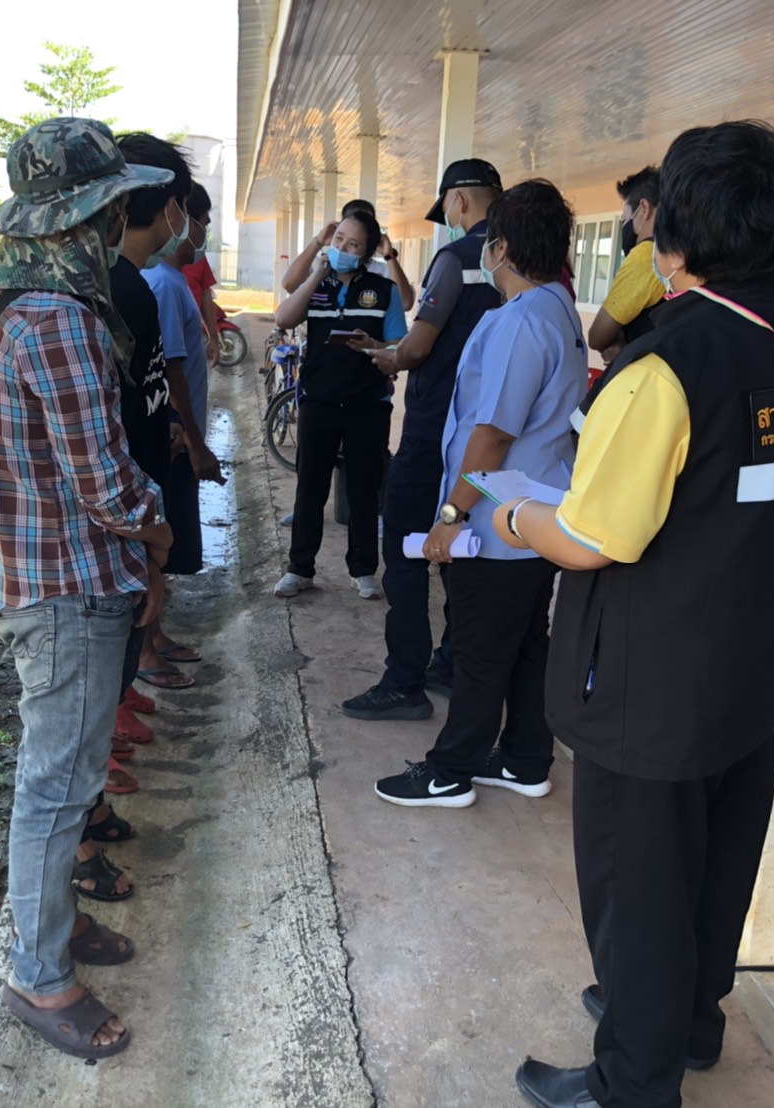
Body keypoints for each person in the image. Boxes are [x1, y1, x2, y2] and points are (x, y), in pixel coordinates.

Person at [498, 121, 774, 1108]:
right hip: (763, 665)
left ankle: (635, 1082)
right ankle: (687, 1023)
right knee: (719, 856)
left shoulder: (663, 370)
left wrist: (509, 516)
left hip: (653, 683)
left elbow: (590, 539)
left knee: (638, 882)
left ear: (670, 243)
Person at [0, 117, 174, 1060]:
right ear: (92, 217)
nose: (120, 223)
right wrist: (158, 530)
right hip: (67, 588)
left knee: (61, 779)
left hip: (36, 575)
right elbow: (105, 484)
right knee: (55, 792)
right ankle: (39, 975)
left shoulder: (3, 297)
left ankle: (52, 926)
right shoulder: (59, 319)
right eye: (113, 208)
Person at [373, 179, 585, 806]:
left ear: (504, 247)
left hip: (498, 520)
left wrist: (450, 514)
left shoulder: (522, 320)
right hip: (536, 514)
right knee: (524, 642)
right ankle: (525, 758)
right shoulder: (559, 307)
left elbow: (492, 433)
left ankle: (450, 771)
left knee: (479, 650)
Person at [338, 158, 503, 722]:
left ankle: (403, 680)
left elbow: (418, 346)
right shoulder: (532, 264)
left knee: (406, 547)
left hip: (434, 427)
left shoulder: (456, 258)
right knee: (462, 549)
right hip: (489, 435)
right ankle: (451, 663)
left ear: (458, 201)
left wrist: (387, 357)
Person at [121, 136, 223, 690]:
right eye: (187, 210)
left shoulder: (156, 283)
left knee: (160, 559)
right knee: (150, 560)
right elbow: (166, 374)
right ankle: (141, 653)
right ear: (168, 208)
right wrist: (187, 435)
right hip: (148, 456)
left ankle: (151, 642)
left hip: (167, 440)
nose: (193, 226)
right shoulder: (146, 287)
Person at [272, 210, 406, 600]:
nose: (343, 247)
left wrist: (373, 345)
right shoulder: (318, 284)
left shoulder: (384, 291)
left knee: (364, 489)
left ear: (366, 253)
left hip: (368, 404)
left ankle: (363, 570)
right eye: (339, 239)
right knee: (310, 488)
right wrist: (317, 273)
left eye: (353, 244)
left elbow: (400, 344)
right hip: (320, 401)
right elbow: (283, 317)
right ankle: (299, 568)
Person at [586, 167, 663, 365]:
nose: (625, 226)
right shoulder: (679, 255)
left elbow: (596, 337)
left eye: (625, 219)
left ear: (644, 209)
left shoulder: (647, 255)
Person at [281, 198, 416, 310]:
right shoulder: (321, 267)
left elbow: (405, 304)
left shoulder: (382, 271)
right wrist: (317, 242)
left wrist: (390, 256)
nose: (357, 227)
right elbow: (289, 285)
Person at [182, 236, 221, 367]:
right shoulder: (155, 262)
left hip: (193, 336)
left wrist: (213, 339)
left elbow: (206, 296)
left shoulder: (197, 257)